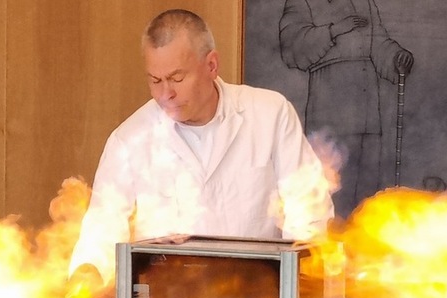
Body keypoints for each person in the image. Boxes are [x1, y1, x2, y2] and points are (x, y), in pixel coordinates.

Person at [69, 9, 334, 283]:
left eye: (177, 78)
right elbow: (103, 226)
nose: (166, 94)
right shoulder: (128, 139)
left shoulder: (270, 114)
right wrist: (87, 275)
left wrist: (297, 279)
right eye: (155, 80)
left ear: (211, 65)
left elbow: (308, 208)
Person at [279, 0, 414, 217]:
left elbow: (378, 42)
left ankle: (364, 243)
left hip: (367, 111)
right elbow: (292, 45)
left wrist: (396, 56)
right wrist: (334, 31)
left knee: (367, 190)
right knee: (332, 189)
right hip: (330, 111)